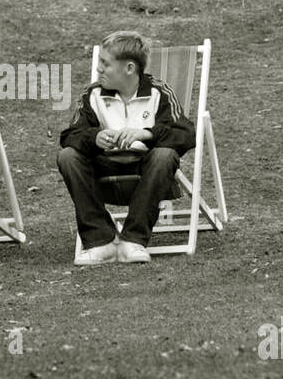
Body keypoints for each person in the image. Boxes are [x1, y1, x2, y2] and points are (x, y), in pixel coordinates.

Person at [58, 31, 196, 265]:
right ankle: (101, 242)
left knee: (164, 155)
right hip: (104, 173)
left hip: (147, 173)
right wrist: (95, 137)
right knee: (68, 156)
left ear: (130, 68)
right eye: (100, 62)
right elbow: (70, 135)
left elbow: (185, 133)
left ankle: (133, 240)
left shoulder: (159, 92)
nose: (99, 69)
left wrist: (147, 134)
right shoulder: (93, 94)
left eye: (105, 63)